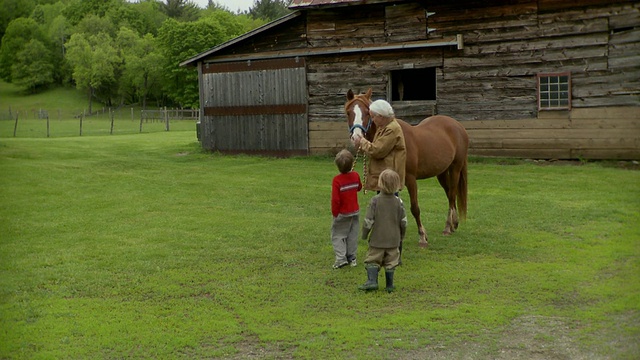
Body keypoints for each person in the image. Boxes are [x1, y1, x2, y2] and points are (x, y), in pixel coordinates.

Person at [359, 169, 407, 292]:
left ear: (380, 183)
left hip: (377, 239)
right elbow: (403, 221)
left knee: (373, 259)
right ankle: (389, 285)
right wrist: (402, 235)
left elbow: (368, 221)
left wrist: (364, 234)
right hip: (394, 239)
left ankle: (372, 281)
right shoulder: (399, 202)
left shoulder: (375, 201)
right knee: (391, 262)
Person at [353, 99, 406, 193]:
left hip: (389, 177)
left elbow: (377, 150)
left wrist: (362, 141)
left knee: (387, 204)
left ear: (381, 116)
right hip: (384, 174)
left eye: (373, 117)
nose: (372, 120)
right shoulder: (383, 127)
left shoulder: (391, 129)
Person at [330, 149, 362, 269]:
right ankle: (352, 258)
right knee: (352, 235)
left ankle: (340, 259)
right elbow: (359, 187)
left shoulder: (337, 180)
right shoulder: (355, 175)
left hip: (342, 213)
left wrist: (335, 213)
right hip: (355, 211)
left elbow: (335, 200)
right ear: (352, 163)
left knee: (338, 235)